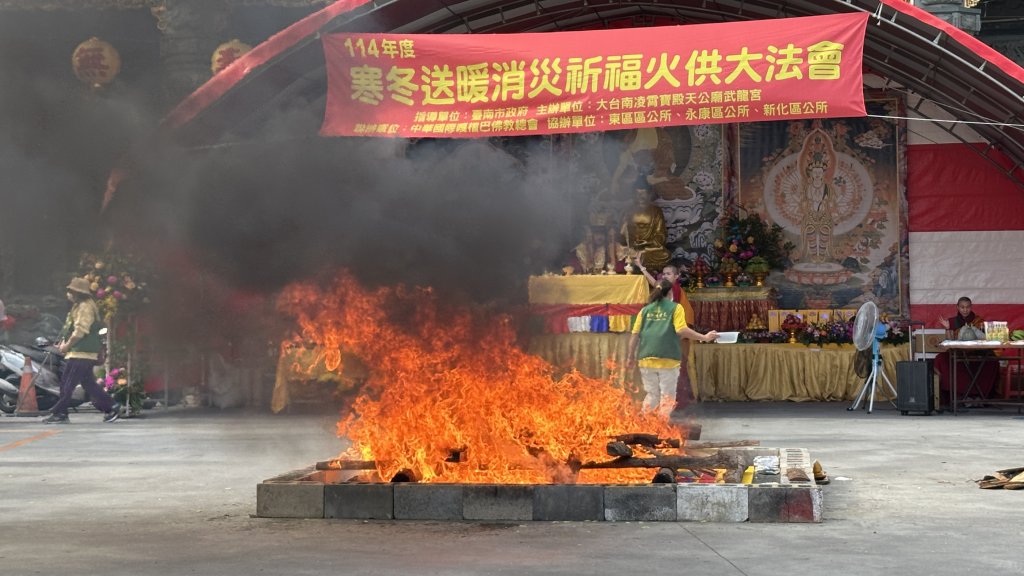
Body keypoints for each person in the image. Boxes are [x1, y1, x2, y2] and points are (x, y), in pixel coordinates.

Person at [626, 278, 717, 417]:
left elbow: (634, 336)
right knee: (667, 397)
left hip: (646, 359)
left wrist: (630, 357)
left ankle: (645, 424)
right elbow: (682, 330)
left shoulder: (644, 310)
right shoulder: (675, 308)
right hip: (668, 359)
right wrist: (704, 337)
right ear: (670, 293)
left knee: (652, 395)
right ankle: (661, 427)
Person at [42, 277, 121, 424]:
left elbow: (80, 331)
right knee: (88, 383)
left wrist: (67, 346)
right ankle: (112, 406)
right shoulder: (79, 306)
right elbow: (71, 328)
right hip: (80, 351)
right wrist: (63, 343)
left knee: (67, 383)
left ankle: (60, 413)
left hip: (82, 352)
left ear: (76, 292)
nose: (68, 294)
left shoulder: (85, 307)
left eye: (70, 291)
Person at [635, 257, 697, 408]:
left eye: (669, 274)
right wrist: (641, 267)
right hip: (668, 338)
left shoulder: (675, 289)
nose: (665, 276)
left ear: (677, 277)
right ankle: (668, 407)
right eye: (663, 274)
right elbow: (655, 284)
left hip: (676, 335)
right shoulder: (666, 290)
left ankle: (676, 403)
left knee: (677, 370)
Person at [933, 296, 998, 403]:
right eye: (962, 307)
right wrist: (948, 328)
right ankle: (957, 395)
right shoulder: (952, 321)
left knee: (992, 361)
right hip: (959, 352)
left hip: (977, 352)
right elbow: (950, 341)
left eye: (967, 307)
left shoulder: (978, 321)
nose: (965, 310)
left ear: (971, 307)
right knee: (941, 359)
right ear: (957, 307)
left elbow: (983, 338)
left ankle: (981, 395)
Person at [621, 186, 671, 271]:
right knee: (622, 252)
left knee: (665, 254)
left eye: (643, 193)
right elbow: (623, 232)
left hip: (649, 247)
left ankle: (639, 263)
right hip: (632, 247)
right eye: (637, 193)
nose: (640, 196)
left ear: (649, 194)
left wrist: (649, 243)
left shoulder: (656, 210)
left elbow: (661, 233)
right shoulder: (628, 210)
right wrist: (630, 243)